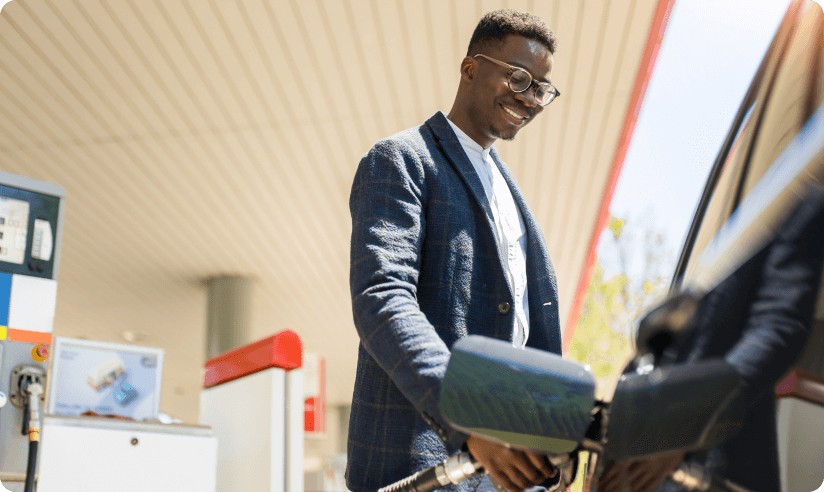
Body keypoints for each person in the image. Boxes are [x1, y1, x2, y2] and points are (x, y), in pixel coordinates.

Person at [346, 9, 564, 492]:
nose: (529, 98)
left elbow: (526, 334)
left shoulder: (509, 190)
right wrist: (469, 414)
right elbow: (382, 296)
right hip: (425, 462)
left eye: (541, 88)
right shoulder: (402, 160)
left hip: (511, 472)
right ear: (470, 69)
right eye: (519, 77)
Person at [598, 188, 824, 492]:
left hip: (714, 473)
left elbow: (779, 328)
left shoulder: (795, 186)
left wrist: (685, 425)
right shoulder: (729, 208)